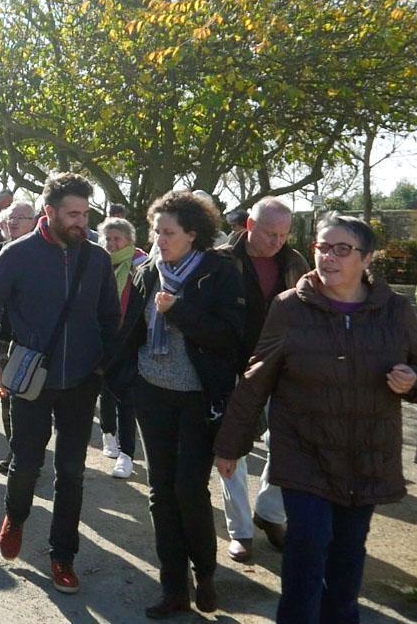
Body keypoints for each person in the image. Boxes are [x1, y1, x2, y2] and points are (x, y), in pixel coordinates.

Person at [215, 214, 417, 623]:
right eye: (322, 247)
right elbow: (254, 381)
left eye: (342, 249)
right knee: (306, 553)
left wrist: (414, 381)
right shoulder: (289, 308)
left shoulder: (395, 311)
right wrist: (231, 444)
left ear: (367, 258)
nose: (328, 257)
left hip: (367, 457)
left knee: (347, 562)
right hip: (306, 455)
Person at [0, 173, 119, 594]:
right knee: (25, 466)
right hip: (29, 378)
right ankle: (15, 515)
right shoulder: (16, 254)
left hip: (81, 381)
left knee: (71, 472)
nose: (82, 221)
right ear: (50, 212)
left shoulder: (94, 258)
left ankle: (63, 556)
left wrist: (104, 365)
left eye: (86, 214)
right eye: (73, 214)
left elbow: (110, 316)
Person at [108, 190, 245, 618]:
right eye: (155, 230)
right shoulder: (146, 270)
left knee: (189, 490)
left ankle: (204, 574)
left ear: (192, 234)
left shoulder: (219, 272)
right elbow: (130, 328)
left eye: (168, 232)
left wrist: (180, 312)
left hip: (198, 399)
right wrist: (123, 380)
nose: (159, 238)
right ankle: (174, 587)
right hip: (152, 394)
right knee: (160, 493)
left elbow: (230, 338)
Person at [213, 198, 309, 563]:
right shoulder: (222, 260)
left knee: (289, 443)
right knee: (231, 449)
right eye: (270, 233)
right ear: (249, 227)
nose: (277, 242)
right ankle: (241, 531)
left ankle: (270, 513)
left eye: (283, 234)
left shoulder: (295, 262)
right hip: (232, 367)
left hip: (283, 368)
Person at [0, 199, 37, 475]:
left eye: (21, 217)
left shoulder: (43, 254)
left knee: (31, 399)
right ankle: (15, 451)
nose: (13, 222)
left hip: (32, 339)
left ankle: (29, 455)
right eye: (10, 217)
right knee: (7, 398)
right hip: (4, 336)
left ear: (35, 221)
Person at [97, 217, 148, 480]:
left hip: (130, 341)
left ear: (129, 240)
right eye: (108, 238)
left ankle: (127, 454)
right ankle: (109, 435)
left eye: (117, 238)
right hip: (103, 340)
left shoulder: (143, 266)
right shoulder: (98, 264)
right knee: (106, 393)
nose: (112, 244)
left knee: (127, 400)